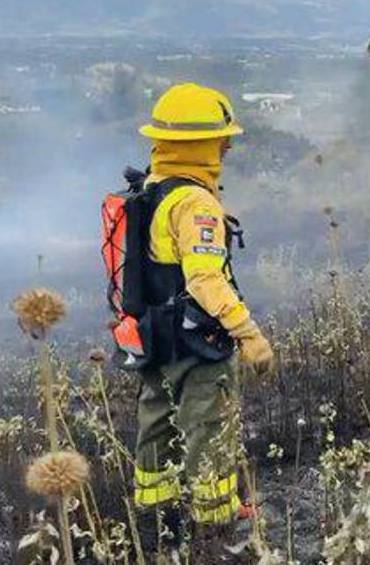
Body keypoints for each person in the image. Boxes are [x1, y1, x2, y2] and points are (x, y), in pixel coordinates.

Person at [128, 83, 274, 556]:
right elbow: (205, 279)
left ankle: (156, 527)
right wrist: (249, 335)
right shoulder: (195, 204)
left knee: (156, 424)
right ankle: (215, 531)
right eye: (221, 138)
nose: (228, 147)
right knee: (208, 429)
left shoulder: (151, 190)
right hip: (196, 343)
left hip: (152, 336)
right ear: (200, 144)